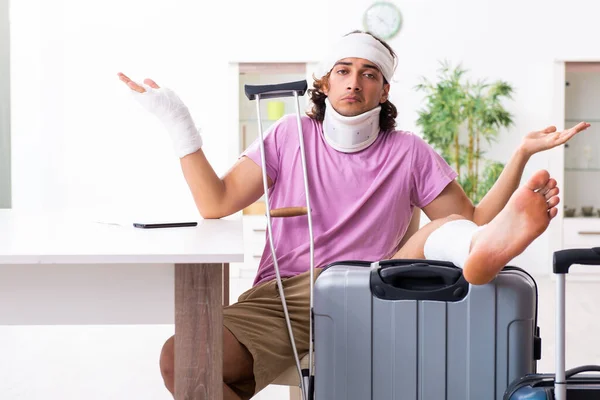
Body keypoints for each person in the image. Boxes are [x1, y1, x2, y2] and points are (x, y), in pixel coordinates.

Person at [118, 30, 589, 400]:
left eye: (369, 73)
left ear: (384, 90)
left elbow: (476, 217)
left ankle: (474, 257)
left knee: (448, 229)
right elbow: (214, 201)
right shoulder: (288, 135)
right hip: (289, 293)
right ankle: (472, 254)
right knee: (181, 359)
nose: (354, 81)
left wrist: (521, 153)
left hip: (372, 287)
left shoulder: (408, 151)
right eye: (343, 70)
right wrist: (179, 124)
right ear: (324, 82)